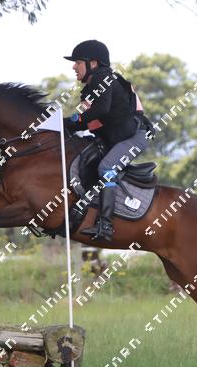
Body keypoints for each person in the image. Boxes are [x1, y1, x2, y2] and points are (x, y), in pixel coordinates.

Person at [63, 40, 153, 242]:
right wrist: (62, 126)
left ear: (93, 63)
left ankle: (105, 225)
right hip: (116, 137)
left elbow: (100, 110)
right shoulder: (90, 89)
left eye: (78, 62)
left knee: (106, 168)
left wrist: (69, 121)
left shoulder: (103, 77)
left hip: (134, 137)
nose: (74, 67)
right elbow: (87, 122)